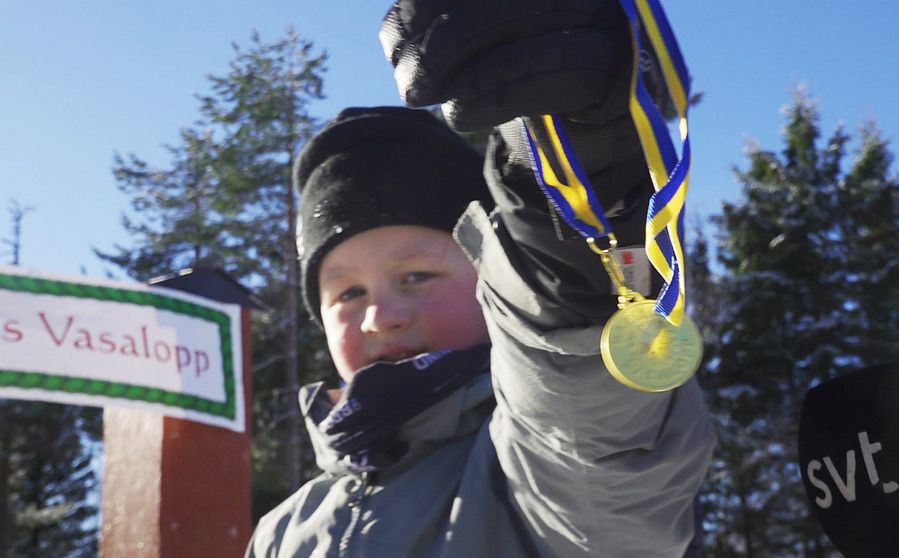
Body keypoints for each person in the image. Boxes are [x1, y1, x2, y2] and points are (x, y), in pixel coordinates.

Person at [248, 1, 714, 556]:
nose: (381, 315)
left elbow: (592, 429)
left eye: (417, 274)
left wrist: (577, 175)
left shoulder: (529, 464)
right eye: (347, 292)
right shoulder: (282, 531)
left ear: (491, 276)